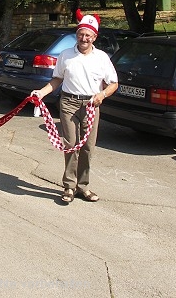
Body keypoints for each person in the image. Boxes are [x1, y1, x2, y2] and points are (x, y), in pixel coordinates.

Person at [30, 10, 118, 204]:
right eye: (81, 34)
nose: (83, 38)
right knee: (70, 145)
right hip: (69, 102)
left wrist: (102, 95)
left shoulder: (102, 57)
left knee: (88, 147)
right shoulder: (65, 55)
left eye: (88, 35)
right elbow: (56, 80)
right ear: (76, 35)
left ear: (94, 37)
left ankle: (83, 186)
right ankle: (69, 187)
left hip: (91, 105)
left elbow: (113, 83)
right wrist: (41, 92)